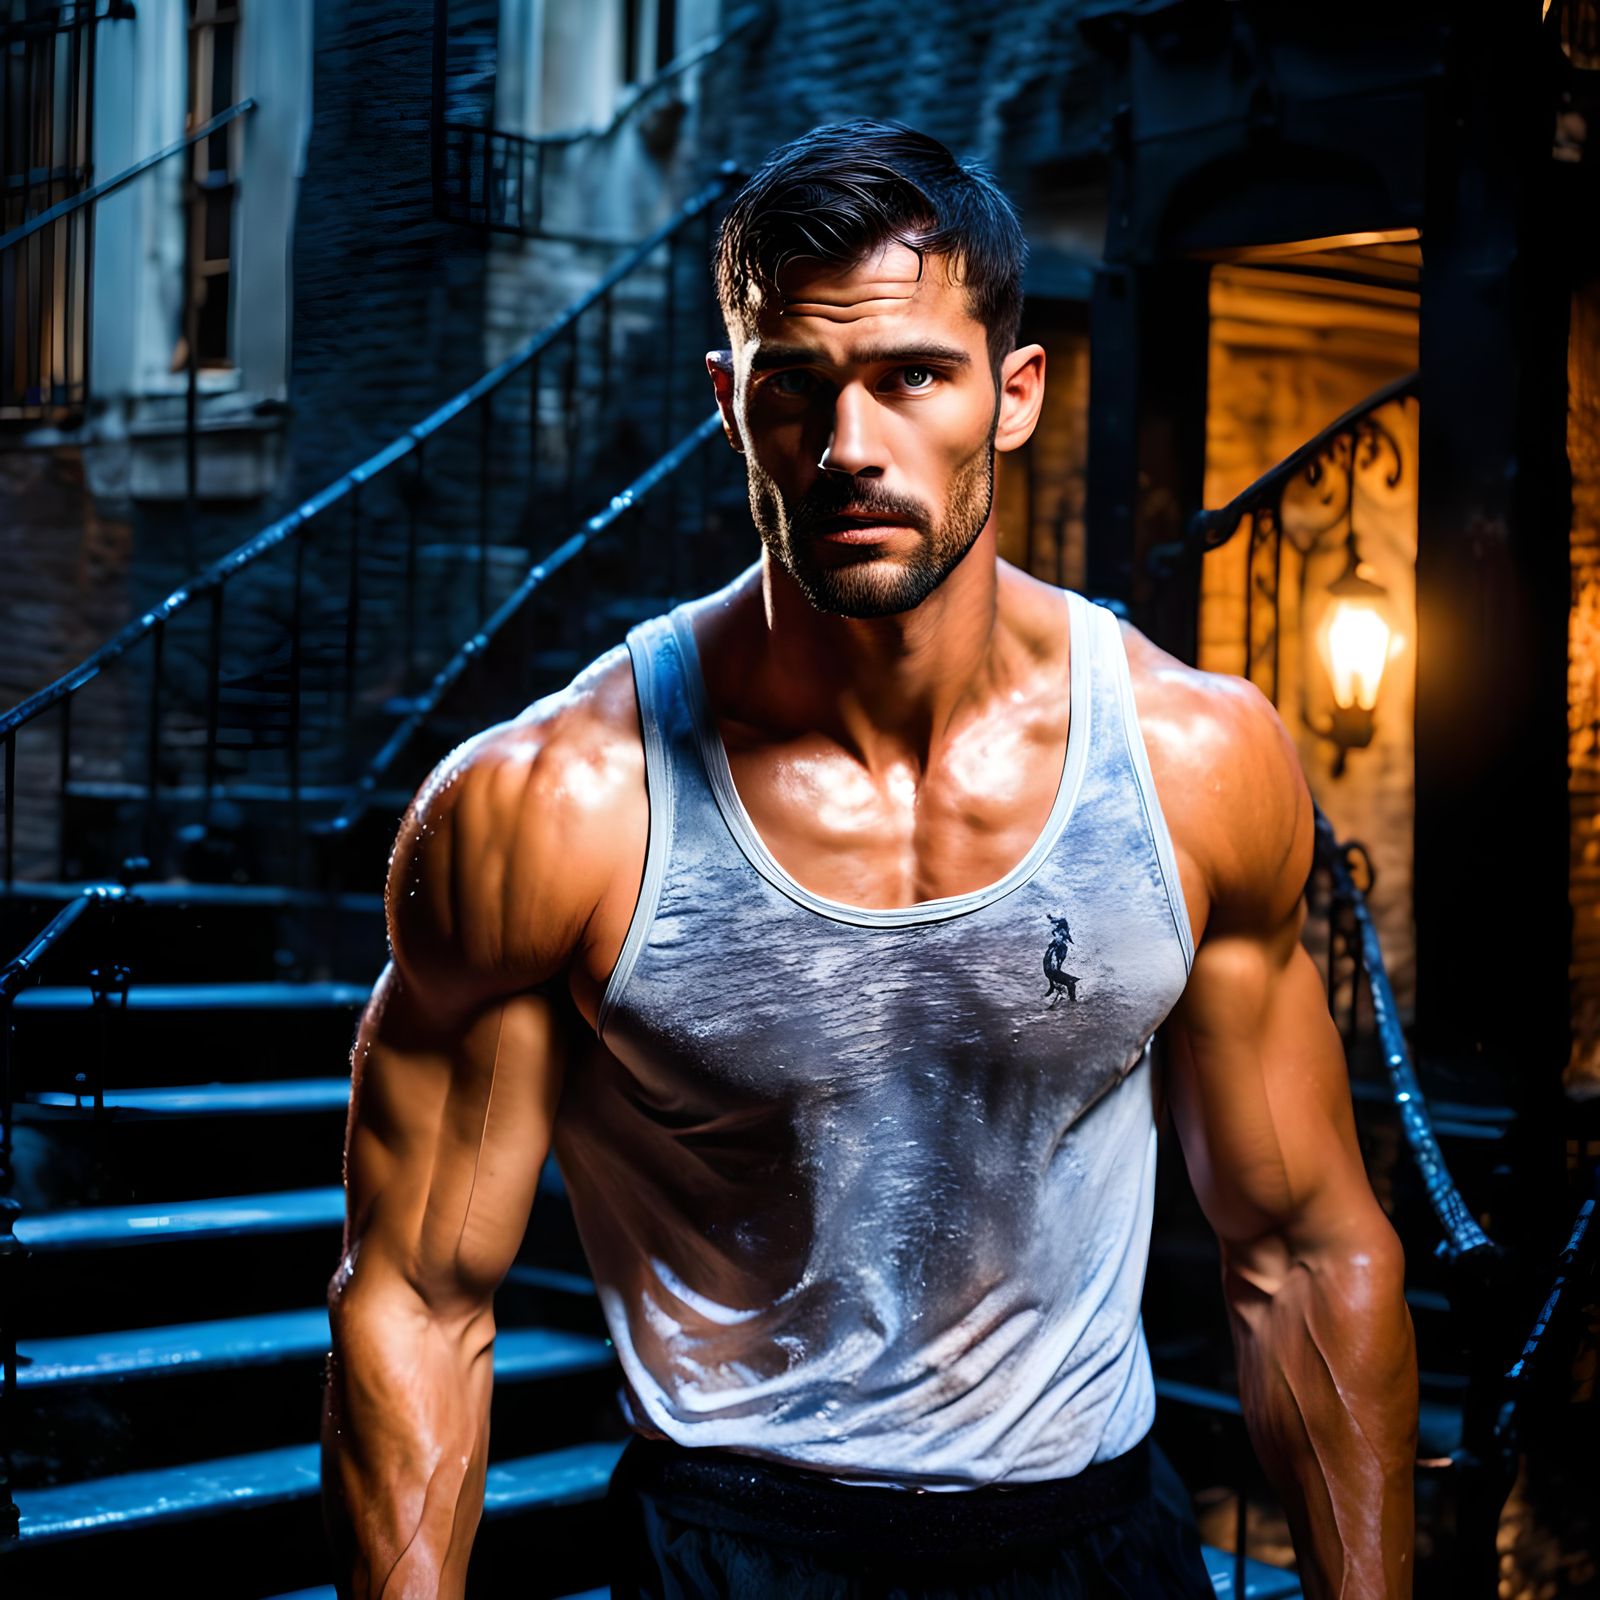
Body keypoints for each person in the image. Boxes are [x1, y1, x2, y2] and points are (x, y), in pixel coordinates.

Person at [320, 119, 1418, 1599]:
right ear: (732, 404)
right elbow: (414, 1297)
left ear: (1013, 395)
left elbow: (1305, 1253)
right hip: (736, 1547)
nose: (849, 447)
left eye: (911, 376)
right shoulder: (555, 808)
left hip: (1096, 1546)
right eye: (797, 384)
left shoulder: (1193, 765)